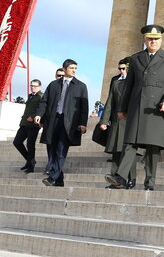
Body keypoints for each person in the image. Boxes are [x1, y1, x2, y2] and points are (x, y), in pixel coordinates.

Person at [105, 24, 164, 190]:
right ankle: (121, 177)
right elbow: (129, 86)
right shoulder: (136, 58)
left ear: (161, 40)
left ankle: (150, 182)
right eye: (150, 39)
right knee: (130, 143)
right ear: (145, 40)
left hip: (156, 108)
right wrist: (122, 108)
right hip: (137, 107)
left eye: (156, 39)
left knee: (153, 148)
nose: (153, 41)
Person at [35, 59, 89, 187]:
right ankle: (59, 180)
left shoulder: (81, 86)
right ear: (64, 69)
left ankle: (52, 177)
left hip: (69, 123)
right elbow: (44, 101)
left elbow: (84, 107)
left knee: (61, 149)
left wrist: (82, 123)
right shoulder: (53, 85)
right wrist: (39, 114)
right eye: (71, 68)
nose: (74, 70)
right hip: (53, 121)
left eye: (75, 68)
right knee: (51, 149)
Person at [99, 59, 136, 189]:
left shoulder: (137, 82)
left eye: (124, 68)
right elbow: (110, 102)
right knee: (116, 150)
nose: (122, 71)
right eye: (120, 68)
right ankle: (115, 179)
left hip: (131, 121)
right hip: (117, 120)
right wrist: (104, 120)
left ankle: (132, 179)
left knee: (129, 151)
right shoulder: (116, 82)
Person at [13, 79, 44, 173]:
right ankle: (30, 161)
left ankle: (31, 166)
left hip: (33, 124)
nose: (33, 87)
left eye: (35, 86)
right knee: (17, 142)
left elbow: (42, 108)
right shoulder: (30, 96)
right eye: (31, 86)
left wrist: (34, 116)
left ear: (39, 87)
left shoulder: (41, 96)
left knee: (30, 144)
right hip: (24, 123)